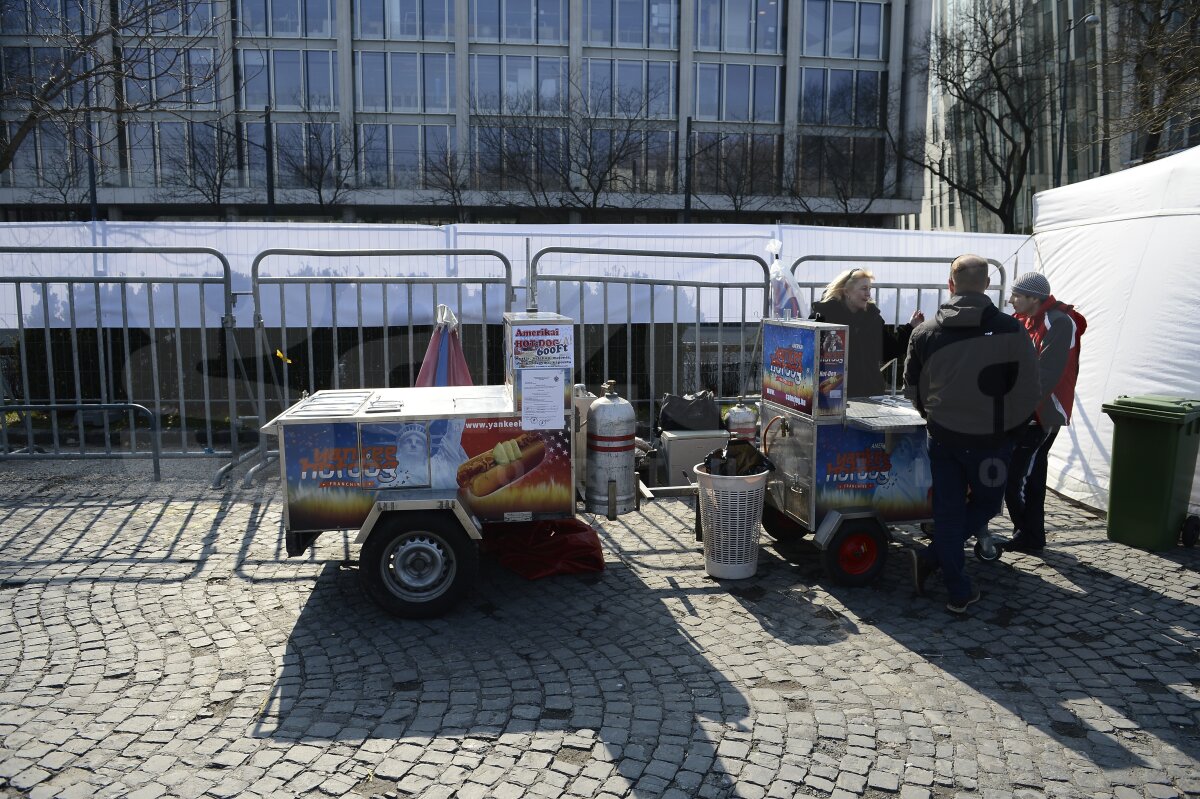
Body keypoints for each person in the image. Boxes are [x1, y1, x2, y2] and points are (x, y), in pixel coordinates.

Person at [902, 255, 1040, 613]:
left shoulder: (924, 331)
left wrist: (931, 417)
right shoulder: (1012, 329)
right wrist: (1008, 433)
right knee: (986, 504)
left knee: (949, 513)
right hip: (990, 442)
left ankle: (946, 574)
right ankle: (953, 584)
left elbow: (913, 388)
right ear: (987, 286)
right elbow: (1027, 390)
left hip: (944, 437)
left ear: (950, 285)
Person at [1003, 272, 1087, 554]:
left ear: (1033, 298)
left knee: (1015, 478)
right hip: (1031, 409)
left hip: (1043, 412)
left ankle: (1026, 532)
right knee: (1033, 474)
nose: (1011, 299)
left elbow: (1047, 373)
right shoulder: (1026, 318)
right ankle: (1032, 536)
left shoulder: (1059, 322)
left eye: (1016, 295)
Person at [810, 269, 924, 397]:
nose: (868, 294)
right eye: (864, 288)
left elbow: (890, 350)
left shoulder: (872, 318)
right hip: (832, 395)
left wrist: (911, 327)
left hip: (869, 393)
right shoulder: (823, 317)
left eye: (870, 289)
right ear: (846, 291)